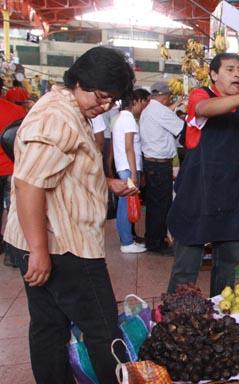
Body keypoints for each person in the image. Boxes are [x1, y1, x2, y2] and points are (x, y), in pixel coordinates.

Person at [4, 46, 137, 384]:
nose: (104, 106)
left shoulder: (70, 108)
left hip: (50, 240)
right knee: (103, 330)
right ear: (79, 80)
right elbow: (28, 184)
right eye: (102, 96)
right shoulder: (57, 117)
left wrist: (107, 183)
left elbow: (63, 170)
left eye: (112, 100)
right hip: (64, 246)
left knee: (49, 325)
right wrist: (38, 251)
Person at [167, 53, 239, 297]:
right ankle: (176, 315)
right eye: (230, 69)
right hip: (199, 192)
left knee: (228, 264)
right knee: (187, 263)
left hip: (233, 192)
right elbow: (204, 109)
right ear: (214, 75)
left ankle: (221, 311)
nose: (237, 73)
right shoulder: (202, 95)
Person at [139, 81, 184, 254]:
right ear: (165, 97)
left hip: (152, 163)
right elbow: (181, 128)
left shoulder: (150, 108)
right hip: (159, 165)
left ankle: (153, 239)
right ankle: (156, 243)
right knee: (161, 205)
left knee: (155, 205)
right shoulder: (160, 110)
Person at [112, 88, 150, 253]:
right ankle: (126, 242)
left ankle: (127, 239)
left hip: (124, 166)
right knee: (126, 205)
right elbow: (129, 148)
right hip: (128, 167)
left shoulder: (120, 118)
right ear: (135, 101)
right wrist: (134, 172)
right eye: (143, 103)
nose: (143, 107)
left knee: (125, 204)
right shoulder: (128, 120)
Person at [0, 98, 26, 266]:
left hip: (10, 168)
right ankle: (13, 255)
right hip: (12, 167)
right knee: (14, 212)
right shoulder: (17, 110)